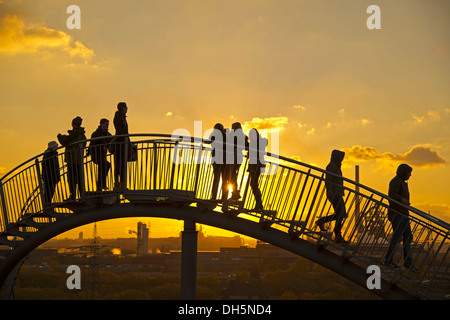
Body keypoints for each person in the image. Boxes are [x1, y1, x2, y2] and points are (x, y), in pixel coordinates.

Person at [384, 164, 417, 271]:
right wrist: (402, 199)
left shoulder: (402, 182)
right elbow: (392, 195)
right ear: (403, 172)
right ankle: (388, 261)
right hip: (397, 213)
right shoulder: (396, 181)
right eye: (408, 173)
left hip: (403, 214)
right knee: (397, 238)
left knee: (407, 238)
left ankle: (408, 263)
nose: (410, 175)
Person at [315, 150, 348, 243]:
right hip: (334, 194)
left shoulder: (336, 166)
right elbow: (328, 181)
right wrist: (330, 194)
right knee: (341, 214)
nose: (342, 160)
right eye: (341, 158)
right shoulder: (331, 167)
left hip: (338, 193)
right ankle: (338, 235)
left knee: (342, 214)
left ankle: (322, 221)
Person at [57, 116, 87, 200]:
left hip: (72, 160)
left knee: (71, 179)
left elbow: (64, 141)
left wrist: (59, 136)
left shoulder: (74, 134)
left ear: (73, 124)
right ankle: (82, 196)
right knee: (79, 179)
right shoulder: (82, 135)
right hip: (79, 160)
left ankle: (73, 196)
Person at [88, 118, 112, 190]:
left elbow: (112, 140)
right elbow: (92, 145)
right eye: (106, 124)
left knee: (105, 166)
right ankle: (101, 184)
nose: (107, 126)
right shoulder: (96, 134)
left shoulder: (107, 134)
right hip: (96, 155)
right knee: (105, 165)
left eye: (108, 125)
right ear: (101, 124)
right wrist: (101, 147)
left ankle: (101, 184)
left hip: (102, 156)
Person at [227, 122, 249, 200]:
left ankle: (235, 193)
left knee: (232, 174)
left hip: (234, 156)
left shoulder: (234, 136)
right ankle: (235, 192)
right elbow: (247, 145)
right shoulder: (243, 137)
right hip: (238, 157)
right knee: (232, 175)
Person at [247, 128, 266, 211]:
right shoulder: (257, 142)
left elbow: (256, 154)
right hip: (255, 166)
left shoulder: (256, 142)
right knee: (254, 185)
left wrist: (253, 168)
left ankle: (259, 204)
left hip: (255, 166)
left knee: (254, 185)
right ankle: (259, 204)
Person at [207, 123, 228, 200]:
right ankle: (224, 196)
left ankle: (214, 196)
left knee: (216, 179)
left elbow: (209, 141)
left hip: (217, 159)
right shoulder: (225, 135)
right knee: (224, 179)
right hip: (224, 160)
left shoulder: (214, 135)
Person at [113, 102, 129, 190]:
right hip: (120, 144)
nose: (127, 109)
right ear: (123, 108)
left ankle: (122, 185)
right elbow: (120, 131)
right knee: (119, 165)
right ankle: (118, 185)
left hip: (123, 144)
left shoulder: (121, 117)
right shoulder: (118, 117)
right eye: (126, 107)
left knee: (122, 165)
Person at [42, 141, 60, 205]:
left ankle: (47, 203)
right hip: (49, 176)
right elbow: (49, 166)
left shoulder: (52, 154)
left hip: (52, 176)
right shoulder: (49, 154)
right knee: (49, 190)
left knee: (51, 190)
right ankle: (46, 203)